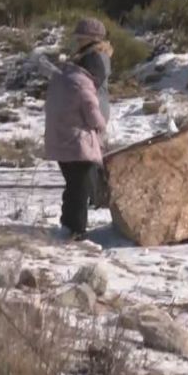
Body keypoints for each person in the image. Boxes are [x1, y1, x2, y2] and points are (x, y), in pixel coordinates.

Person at [44, 18, 109, 241]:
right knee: (79, 189)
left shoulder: (64, 78)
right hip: (78, 141)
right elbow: (92, 111)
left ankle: (68, 224)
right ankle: (76, 229)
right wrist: (100, 126)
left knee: (73, 185)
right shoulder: (85, 82)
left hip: (62, 137)